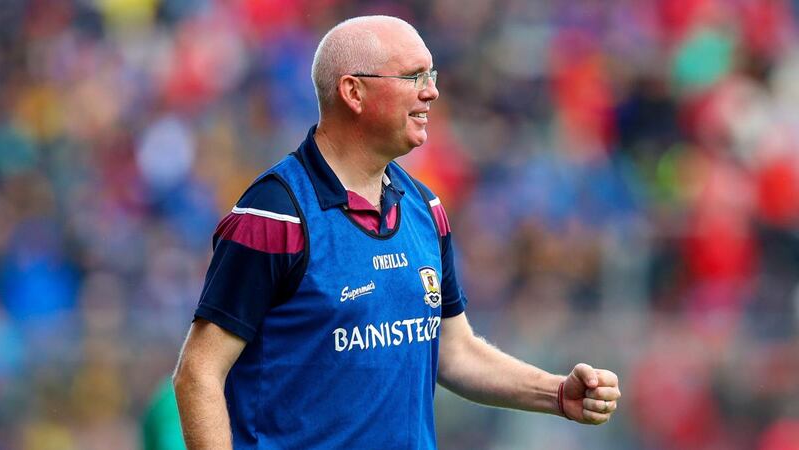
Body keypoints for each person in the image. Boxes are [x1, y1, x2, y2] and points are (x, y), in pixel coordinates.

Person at [172, 15, 621, 449]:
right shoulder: (275, 216)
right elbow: (198, 372)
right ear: (354, 91)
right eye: (413, 76)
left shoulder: (426, 209)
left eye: (432, 74)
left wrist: (557, 394)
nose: (432, 92)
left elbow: (452, 349)